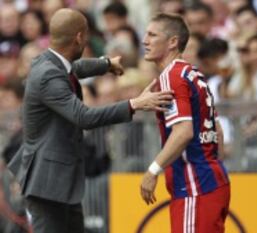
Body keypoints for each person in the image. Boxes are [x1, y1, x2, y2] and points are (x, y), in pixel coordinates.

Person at [7, 9, 173, 233]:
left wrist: (105, 64)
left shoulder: (47, 61)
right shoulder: (48, 74)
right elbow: (83, 117)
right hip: (47, 182)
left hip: (58, 180)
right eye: (86, 35)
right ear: (79, 37)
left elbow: (75, 68)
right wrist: (134, 104)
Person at [139, 13, 230, 233]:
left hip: (194, 186)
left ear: (172, 42)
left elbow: (184, 131)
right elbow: (217, 130)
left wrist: (153, 170)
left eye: (152, 35)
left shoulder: (172, 76)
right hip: (212, 179)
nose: (145, 40)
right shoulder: (194, 74)